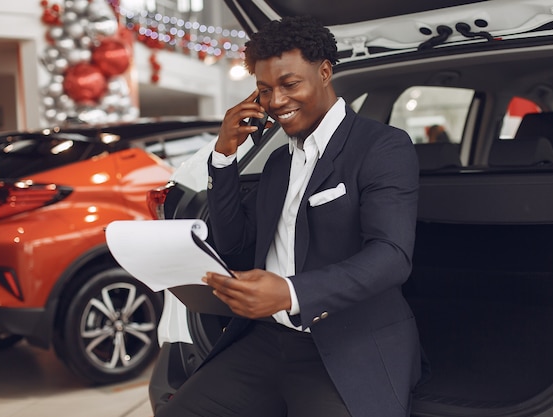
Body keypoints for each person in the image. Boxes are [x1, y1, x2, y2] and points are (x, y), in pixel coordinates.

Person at [155, 15, 422, 417]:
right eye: (264, 90)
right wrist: (225, 156)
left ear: (325, 72)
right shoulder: (279, 161)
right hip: (265, 340)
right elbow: (235, 244)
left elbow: (391, 256)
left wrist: (292, 292)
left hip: (346, 345)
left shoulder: (382, 146)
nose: (276, 101)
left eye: (289, 84)